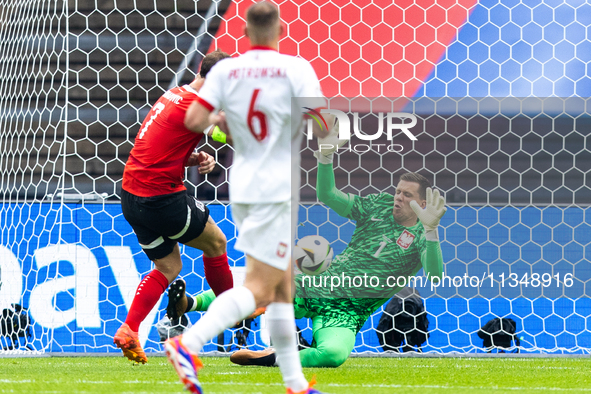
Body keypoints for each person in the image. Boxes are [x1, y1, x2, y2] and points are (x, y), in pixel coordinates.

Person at [163, 2, 329, 394]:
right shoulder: (295, 69)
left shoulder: (226, 71)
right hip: (275, 188)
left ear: (244, 34)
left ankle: (295, 383)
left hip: (243, 184)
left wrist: (227, 123)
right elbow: (323, 123)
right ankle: (188, 344)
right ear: (281, 30)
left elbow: (194, 122)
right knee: (261, 286)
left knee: (282, 286)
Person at [170, 135, 446, 368]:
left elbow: (435, 276)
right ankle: (189, 304)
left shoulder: (424, 236)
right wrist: (325, 160)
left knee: (334, 355)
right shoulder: (379, 206)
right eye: (398, 191)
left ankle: (273, 357)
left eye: (407, 195)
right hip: (321, 283)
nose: (398, 197)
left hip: (348, 313)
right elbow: (328, 195)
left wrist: (432, 232)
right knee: (260, 293)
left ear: (423, 203)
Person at [114, 50, 234, 365]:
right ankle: (231, 309)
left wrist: (193, 157)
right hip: (160, 198)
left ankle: (130, 328)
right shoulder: (197, 106)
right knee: (216, 243)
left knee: (168, 268)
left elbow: (161, 142)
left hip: (131, 196)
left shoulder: (174, 95)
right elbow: (228, 134)